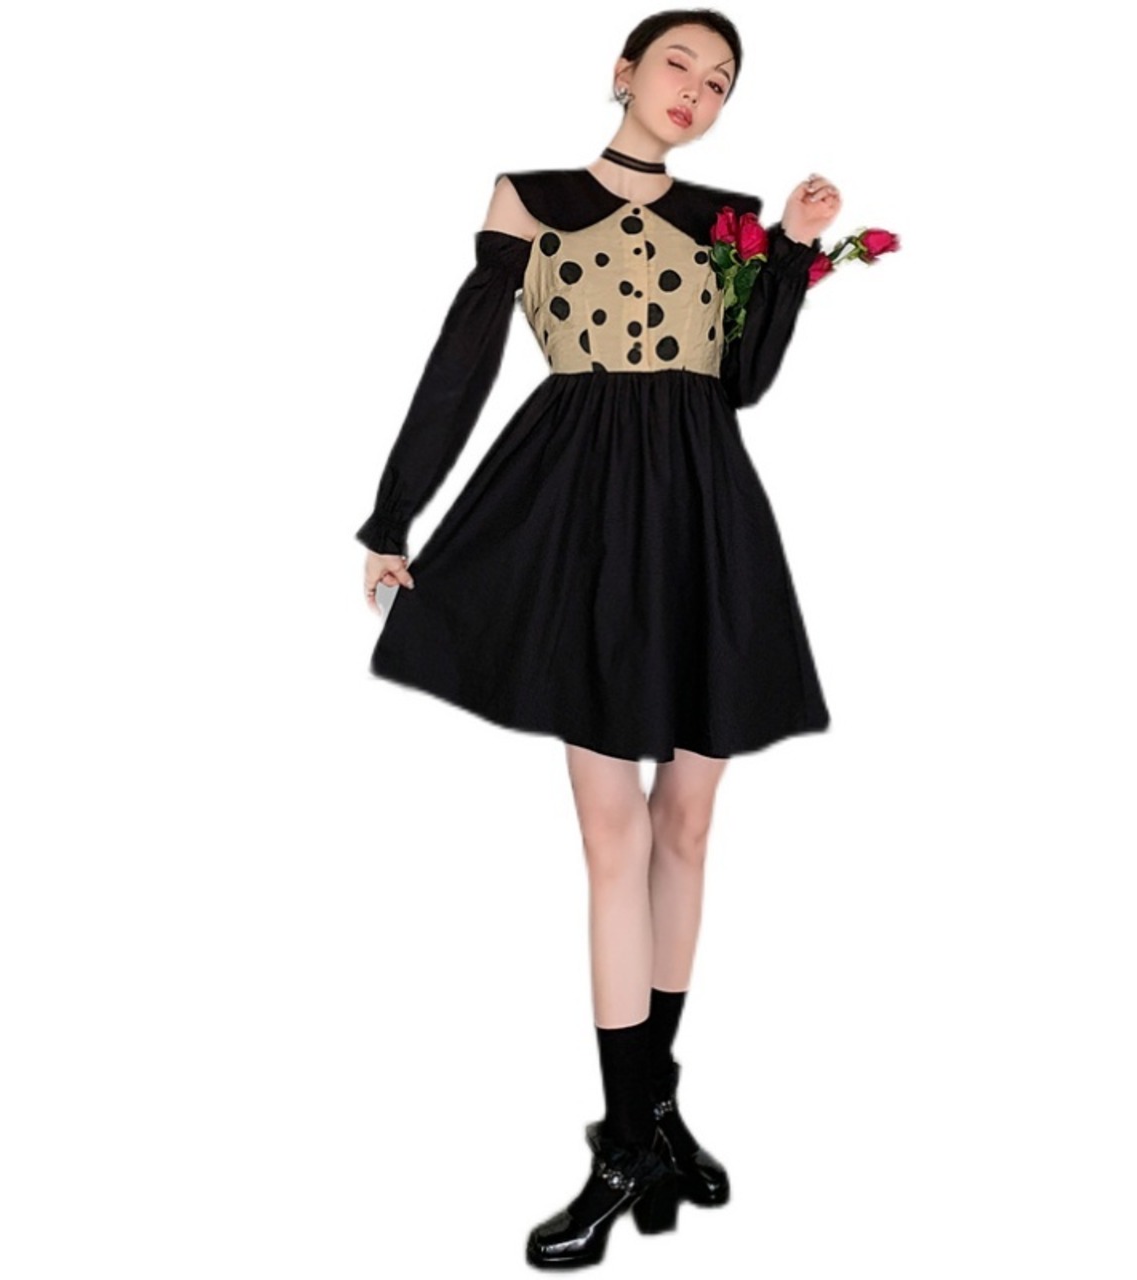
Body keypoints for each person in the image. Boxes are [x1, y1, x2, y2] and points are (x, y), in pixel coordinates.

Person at [355, 10, 841, 1267]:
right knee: (611, 832)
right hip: (582, 514)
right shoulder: (529, 198)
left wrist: (789, 256)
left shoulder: (730, 218)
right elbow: (464, 356)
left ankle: (653, 1113)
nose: (697, 90)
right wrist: (395, 512)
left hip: (705, 510)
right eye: (678, 63)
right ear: (622, 73)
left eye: (720, 82)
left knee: (687, 822)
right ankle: (624, 1140)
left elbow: (740, 380)